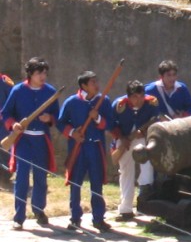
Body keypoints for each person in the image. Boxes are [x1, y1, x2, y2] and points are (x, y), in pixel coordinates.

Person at [1, 58, 59, 230]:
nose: (43, 76)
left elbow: (57, 115)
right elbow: (6, 113)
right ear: (30, 74)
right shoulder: (18, 90)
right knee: (22, 177)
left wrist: (49, 118)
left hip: (41, 139)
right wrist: (14, 125)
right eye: (39, 73)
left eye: (45, 73)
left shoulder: (50, 92)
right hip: (23, 140)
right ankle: (19, 215)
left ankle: (39, 210)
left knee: (40, 177)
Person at [58, 71, 116, 232]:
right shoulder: (72, 102)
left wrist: (97, 118)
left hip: (95, 147)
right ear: (83, 85)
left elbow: (110, 124)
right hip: (78, 148)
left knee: (96, 184)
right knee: (75, 183)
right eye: (93, 82)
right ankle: (75, 218)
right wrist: (72, 133)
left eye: (97, 81)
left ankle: (98, 218)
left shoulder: (103, 102)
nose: (97, 85)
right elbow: (61, 123)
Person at [111, 81, 161, 220]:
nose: (138, 100)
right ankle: (126, 209)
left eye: (141, 96)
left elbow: (155, 121)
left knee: (147, 168)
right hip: (125, 138)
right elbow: (111, 125)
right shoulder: (119, 105)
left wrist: (144, 133)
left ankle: (144, 203)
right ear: (129, 97)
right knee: (126, 171)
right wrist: (123, 138)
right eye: (135, 97)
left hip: (143, 138)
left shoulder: (151, 103)